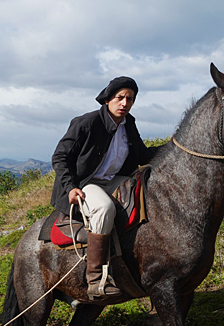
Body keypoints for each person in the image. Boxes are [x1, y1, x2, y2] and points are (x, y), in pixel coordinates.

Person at [50, 76, 160, 298]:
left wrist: (174, 147)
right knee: (104, 209)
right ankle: (95, 278)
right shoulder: (86, 123)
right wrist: (70, 187)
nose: (125, 103)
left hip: (114, 179)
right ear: (108, 99)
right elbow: (60, 157)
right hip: (86, 183)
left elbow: (142, 155)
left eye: (130, 99)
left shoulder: (129, 124)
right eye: (120, 98)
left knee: (150, 185)